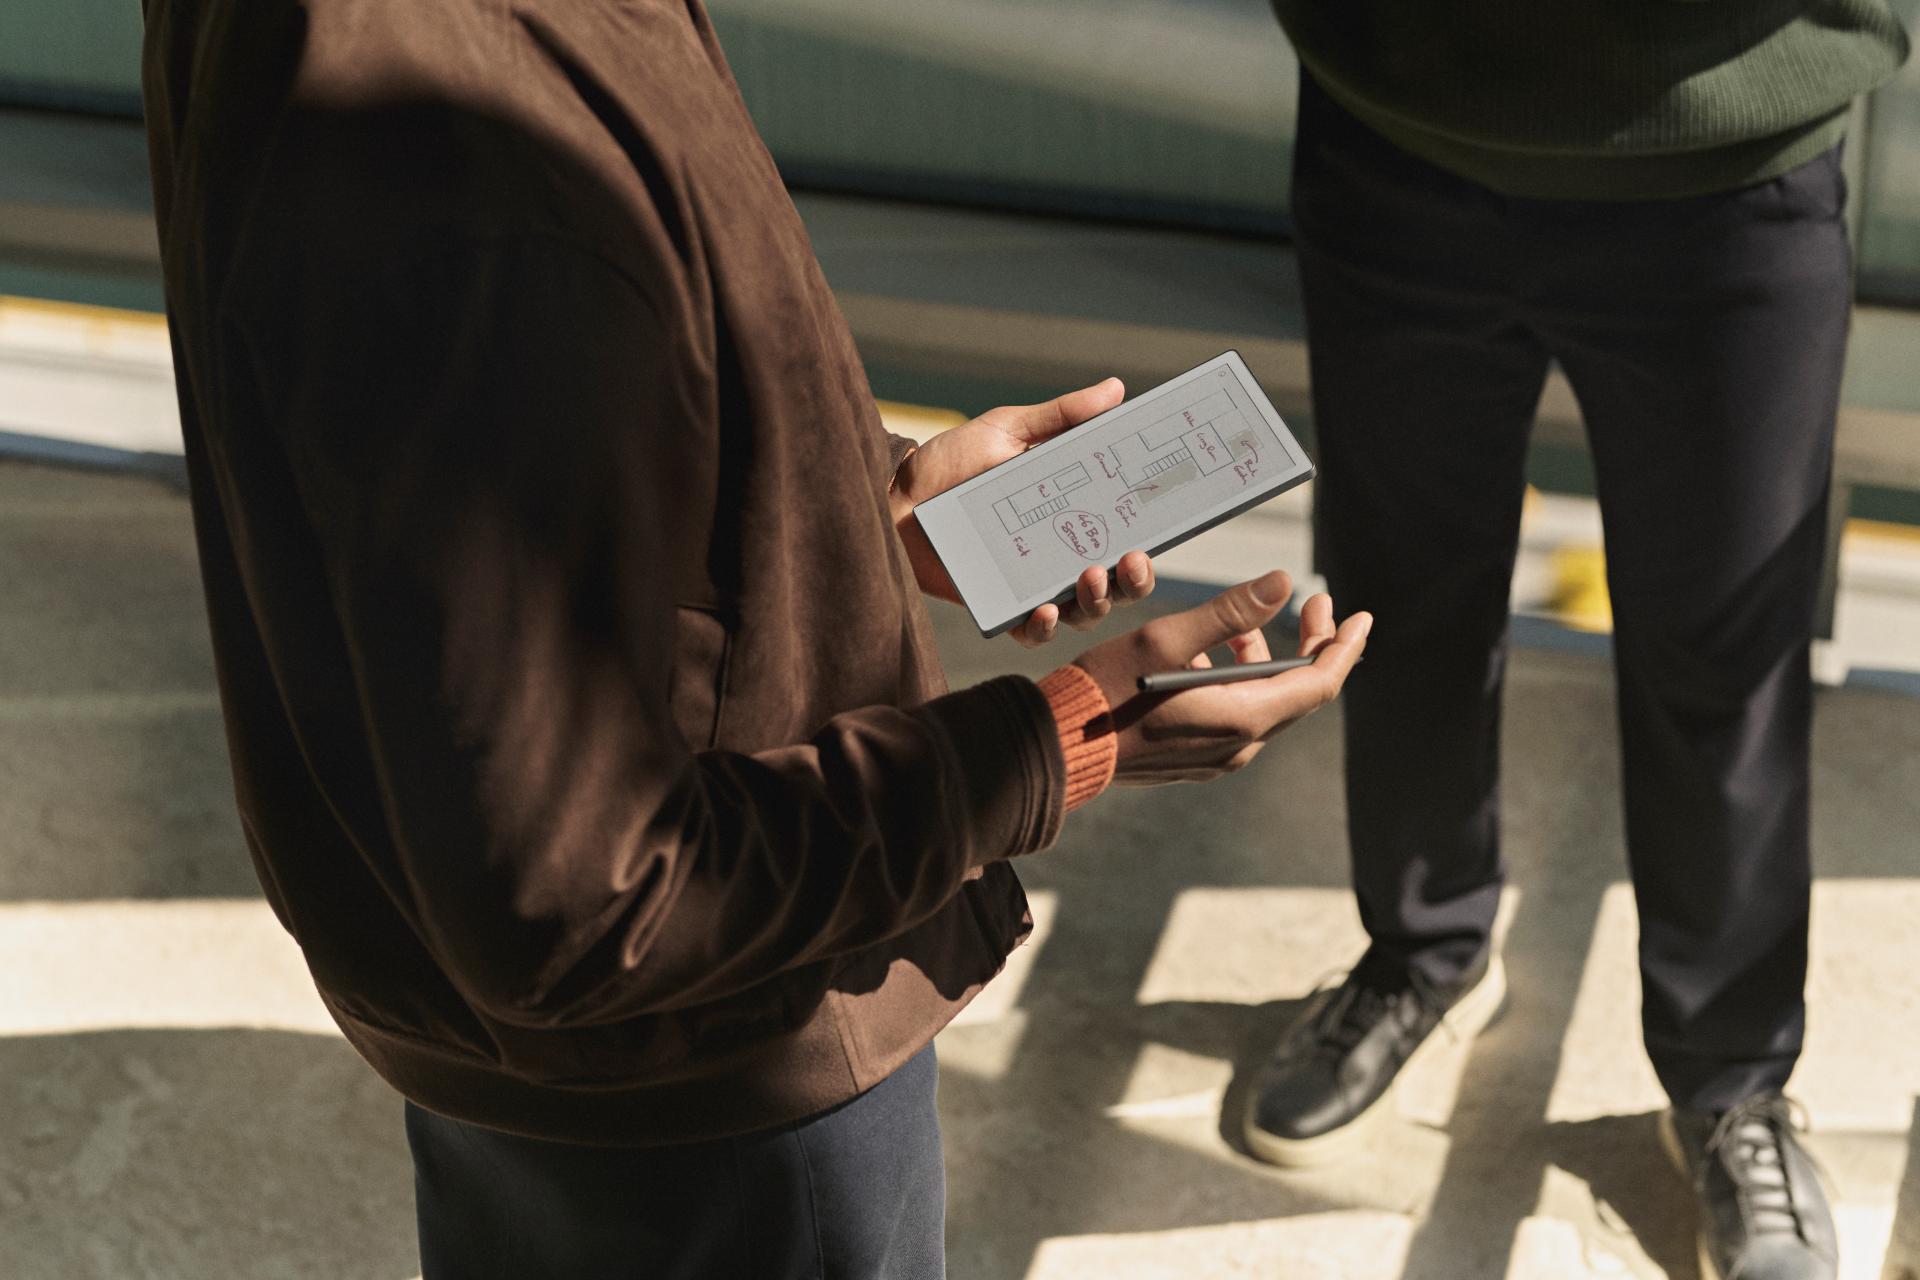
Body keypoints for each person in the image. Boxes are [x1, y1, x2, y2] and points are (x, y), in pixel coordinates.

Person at [138, 0, 1371, 1275]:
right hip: (725, 1087)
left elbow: (460, 496)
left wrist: (863, 504)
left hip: (529, 1059)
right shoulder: (475, 162)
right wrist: (1056, 742)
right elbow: (575, 902)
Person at [1241, 6, 1910, 1278]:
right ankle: (1418, 951)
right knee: (1399, 600)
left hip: (1734, 150)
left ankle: (1730, 1083)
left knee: (1730, 653)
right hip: (1399, 129)